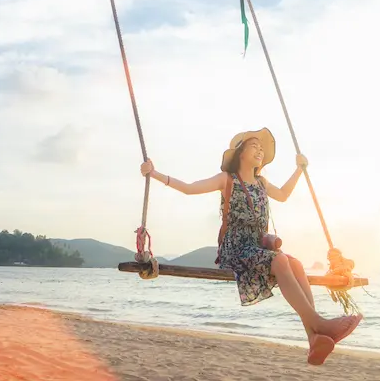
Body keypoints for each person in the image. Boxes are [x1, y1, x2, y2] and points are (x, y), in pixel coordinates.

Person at [141, 127, 361, 365]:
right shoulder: (227, 180)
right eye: (254, 146)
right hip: (235, 249)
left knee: (294, 263)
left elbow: (284, 195)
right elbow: (189, 187)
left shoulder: (261, 182)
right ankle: (318, 324)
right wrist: (154, 173)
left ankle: (313, 338)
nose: (259, 150)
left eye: (261, 148)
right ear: (240, 153)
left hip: (257, 248)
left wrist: (299, 170)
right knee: (280, 259)